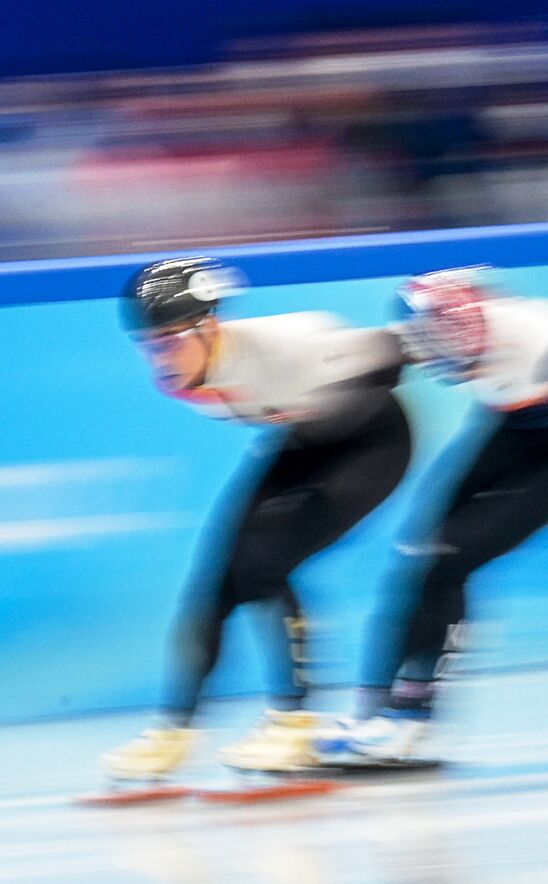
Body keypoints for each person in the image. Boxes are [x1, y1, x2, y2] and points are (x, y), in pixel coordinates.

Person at [101, 256, 413, 779]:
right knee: (216, 580)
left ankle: (294, 724)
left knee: (264, 564)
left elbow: (401, 349)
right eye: (149, 347)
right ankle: (174, 730)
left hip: (373, 445)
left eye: (172, 341)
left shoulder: (293, 343)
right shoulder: (184, 378)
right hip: (302, 439)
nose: (161, 360)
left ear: (211, 326)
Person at [322, 266, 548, 760]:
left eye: (450, 346)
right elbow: (395, 346)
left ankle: (417, 714)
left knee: (450, 560)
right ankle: (373, 705)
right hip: (509, 427)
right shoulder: (445, 324)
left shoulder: (539, 334)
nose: (442, 360)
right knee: (416, 556)